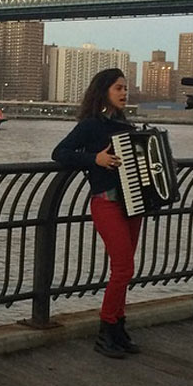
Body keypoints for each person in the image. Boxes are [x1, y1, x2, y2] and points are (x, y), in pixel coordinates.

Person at [52, 68, 142, 359]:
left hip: (133, 205)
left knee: (126, 269)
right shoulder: (91, 126)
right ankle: (106, 330)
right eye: (118, 88)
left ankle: (117, 327)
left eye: (126, 88)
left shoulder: (127, 127)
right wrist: (95, 159)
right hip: (106, 202)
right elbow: (60, 152)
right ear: (104, 91)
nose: (124, 93)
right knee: (123, 268)